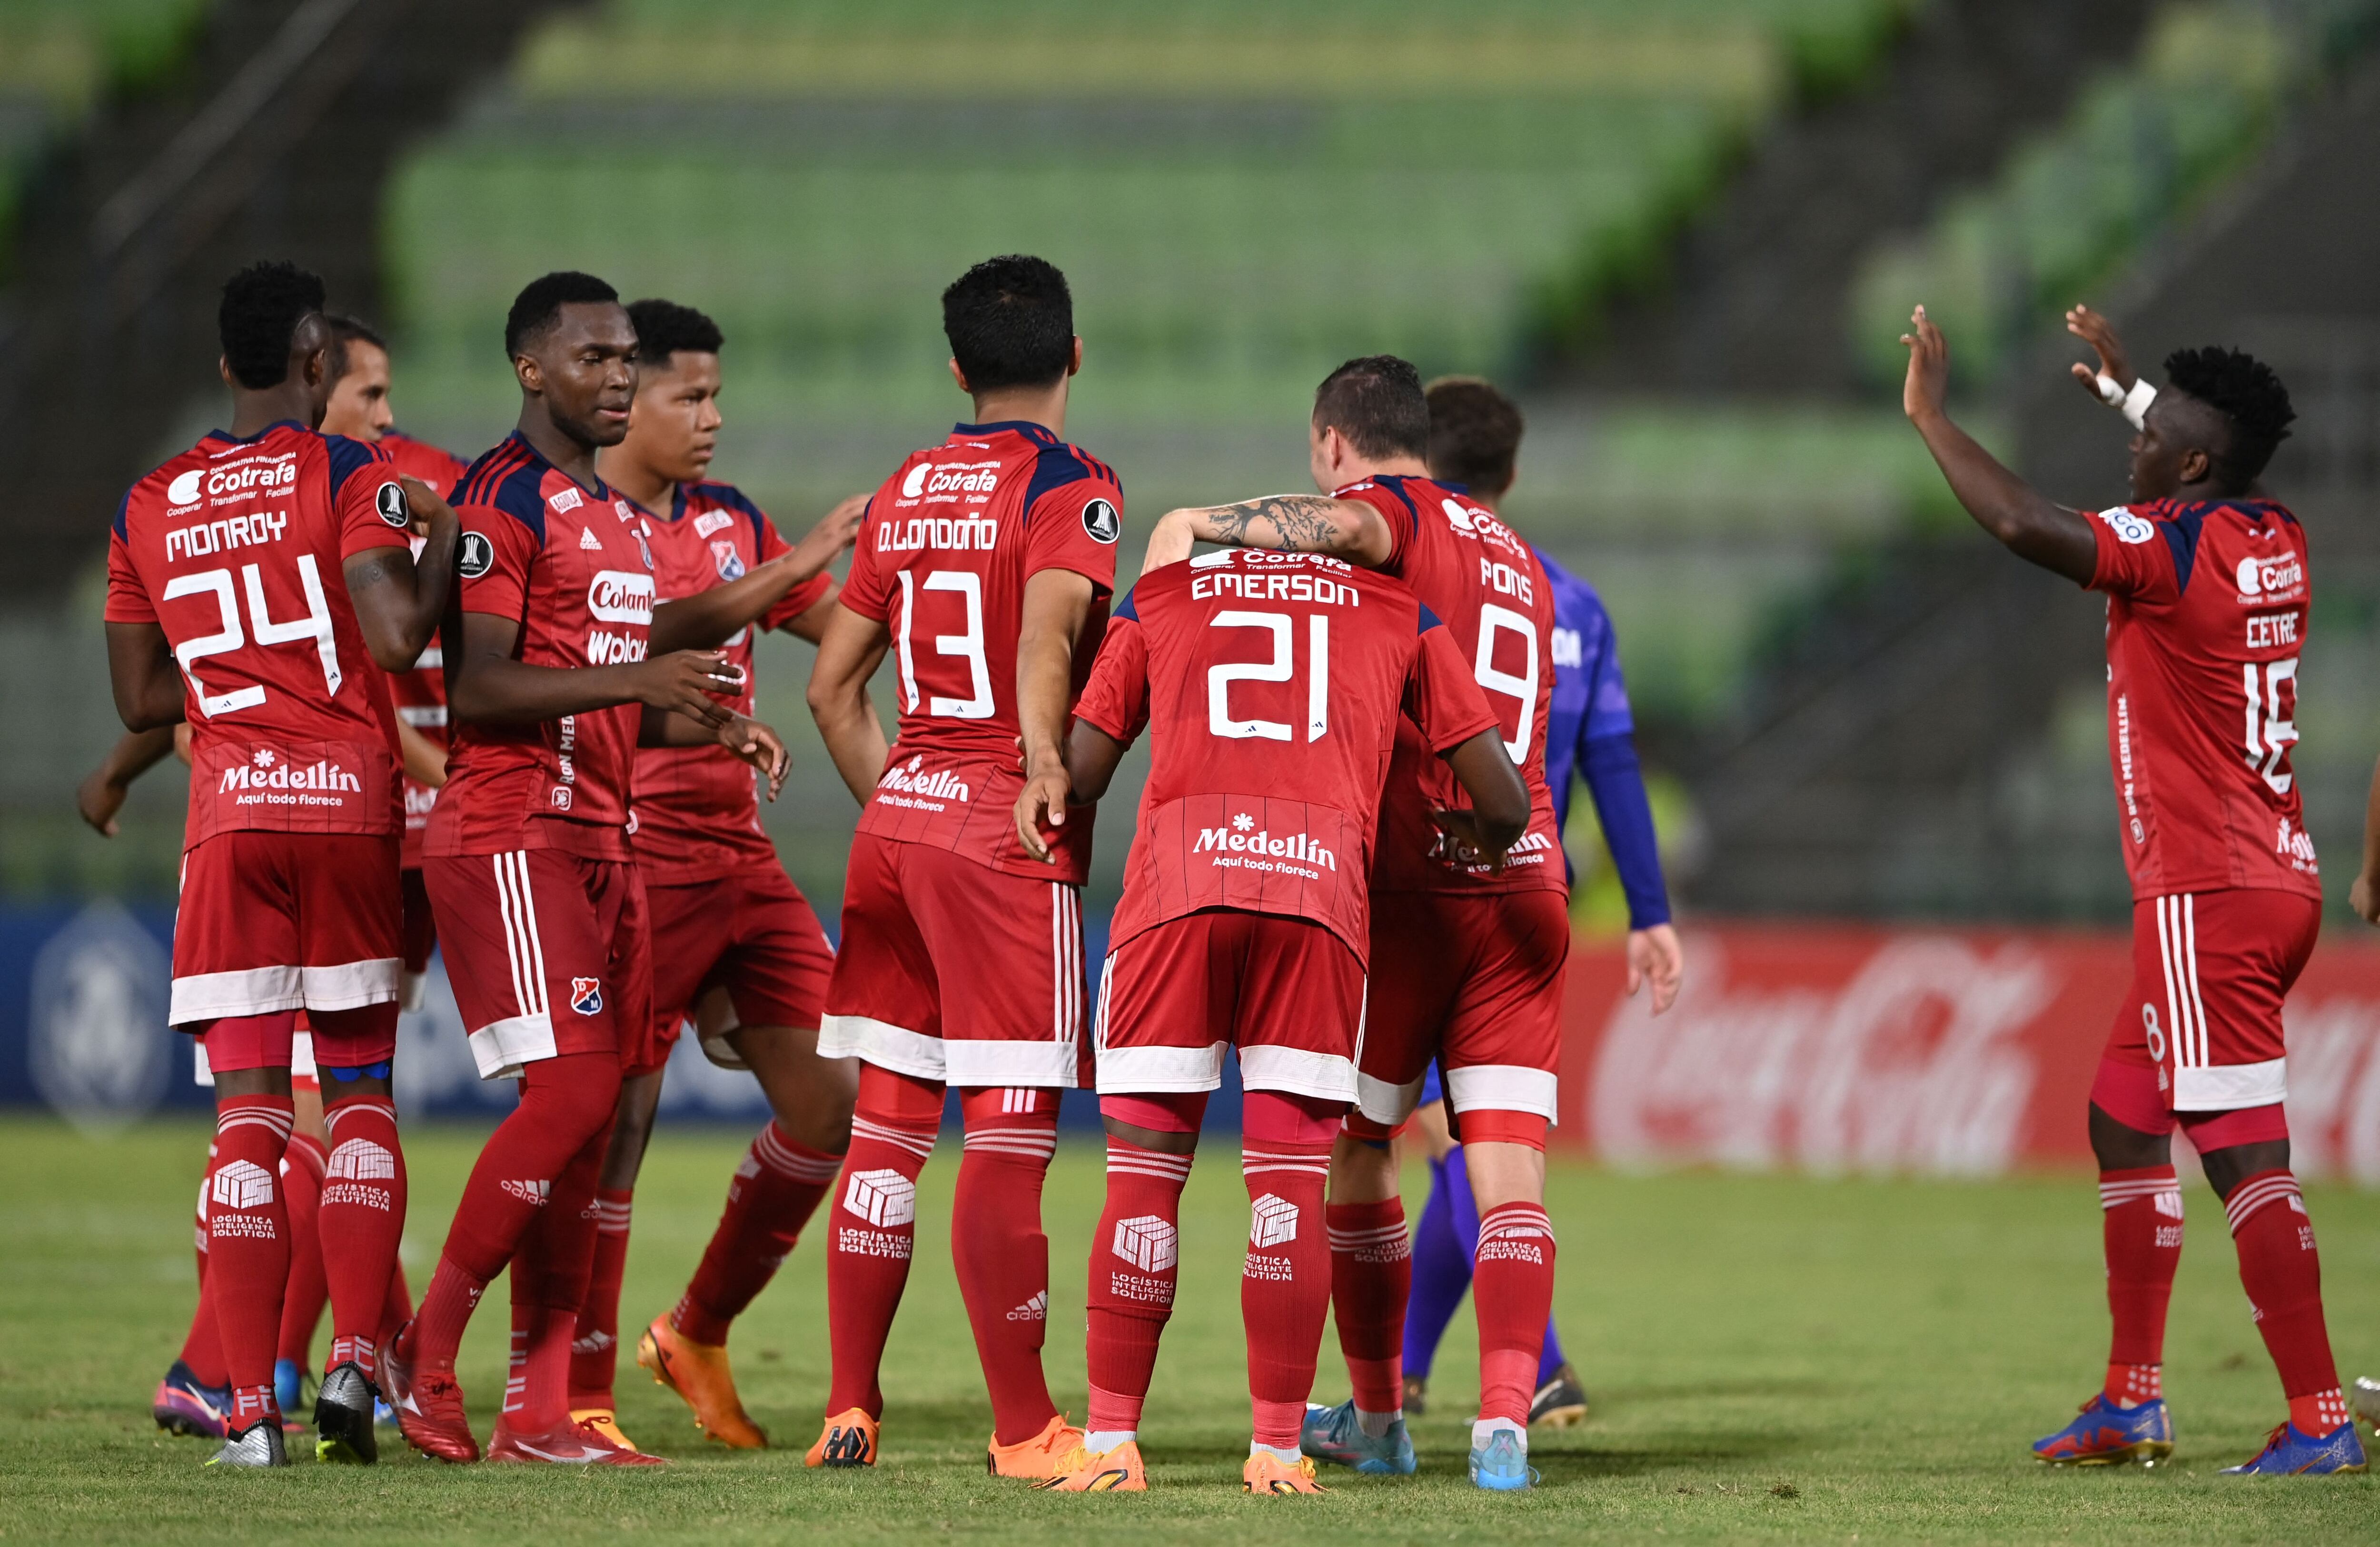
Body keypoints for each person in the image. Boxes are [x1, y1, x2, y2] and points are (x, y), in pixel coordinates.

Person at [1904, 300, 2362, 1475]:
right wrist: (2128, 393)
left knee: (2242, 1151)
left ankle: (2319, 1420)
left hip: (2205, 888)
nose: (2134, 449)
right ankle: (2131, 1398)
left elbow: (2018, 519)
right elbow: (2192, 454)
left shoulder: (2168, 553)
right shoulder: (2276, 534)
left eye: (2152, 441)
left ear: (2192, 468)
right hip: (2272, 877)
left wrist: (1931, 418)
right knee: (2122, 1112)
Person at [381, 271, 793, 1467]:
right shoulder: (501, 498)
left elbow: (612, 700)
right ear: (531, 370)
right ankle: (425, 1354)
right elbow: (483, 686)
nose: (618, 377)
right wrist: (638, 682)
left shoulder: (613, 517)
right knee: (568, 1100)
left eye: (627, 360)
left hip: (600, 836)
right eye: (595, 359)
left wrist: (706, 724)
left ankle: (541, 1409)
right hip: (511, 831)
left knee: (595, 1110)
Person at [1143, 356, 1572, 1490]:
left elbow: (1337, 536)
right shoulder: (1519, 557)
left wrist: (1196, 526)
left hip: (1406, 879)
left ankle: (1379, 1416)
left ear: (1335, 444)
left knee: (1358, 1149)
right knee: (1510, 1169)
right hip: (1524, 872)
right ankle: (1502, 1427)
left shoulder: (1389, 512)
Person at [1026, 545, 1530, 1494]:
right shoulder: (1398, 606)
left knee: (1142, 1182)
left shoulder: (1164, 590)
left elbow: (1083, 769)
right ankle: (1275, 1449)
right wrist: (1449, 836)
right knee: (1286, 1191)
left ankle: (1108, 1445)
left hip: (1176, 889)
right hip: (1319, 899)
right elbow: (1502, 800)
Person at [103, 260, 458, 1466]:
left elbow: (145, 692)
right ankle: (356, 1358)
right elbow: (399, 631)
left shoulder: (149, 501)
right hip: (348, 806)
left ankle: (248, 1408)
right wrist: (443, 535)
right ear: (317, 366)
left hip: (230, 819)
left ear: (224, 366)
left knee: (248, 1116)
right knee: (357, 1096)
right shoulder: (349, 470)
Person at [803, 254, 1123, 1477]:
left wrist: (906, 806)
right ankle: (1023, 1427)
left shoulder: (907, 485)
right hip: (1000, 832)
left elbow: (834, 687)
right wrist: (1038, 764)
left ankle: (848, 1404)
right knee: (1008, 1129)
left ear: (955, 368)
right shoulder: (1071, 484)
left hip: (899, 822)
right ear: (1075, 354)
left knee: (886, 1129)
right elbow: (1048, 631)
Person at [552, 296, 864, 1451]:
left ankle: (693, 1328)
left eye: (717, 393)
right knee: (618, 1119)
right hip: (628, 851)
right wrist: (797, 561)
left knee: (835, 1099)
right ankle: (577, 1389)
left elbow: (838, 630)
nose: (711, 416)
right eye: (691, 393)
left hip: (740, 856)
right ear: (626, 398)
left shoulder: (730, 519)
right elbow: (628, 653)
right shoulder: (581, 527)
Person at [1396, 377, 1685, 1429]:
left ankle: (1537, 1365)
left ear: (1413, 460)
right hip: (1531, 887)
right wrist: (1650, 910)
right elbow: (1613, 763)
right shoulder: (1569, 598)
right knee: (1463, 1145)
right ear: (1511, 475)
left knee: (1448, 1141)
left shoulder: (1408, 570)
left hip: (1429, 886)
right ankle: (1415, 1369)